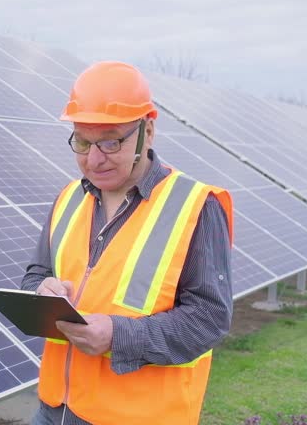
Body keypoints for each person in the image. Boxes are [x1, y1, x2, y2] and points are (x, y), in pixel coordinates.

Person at [20, 61, 234, 425]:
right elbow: (35, 274)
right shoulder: (69, 198)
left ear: (147, 132)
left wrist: (119, 336)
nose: (94, 158)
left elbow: (209, 320)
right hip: (54, 408)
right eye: (83, 141)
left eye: (110, 141)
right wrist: (42, 291)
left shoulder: (196, 206)